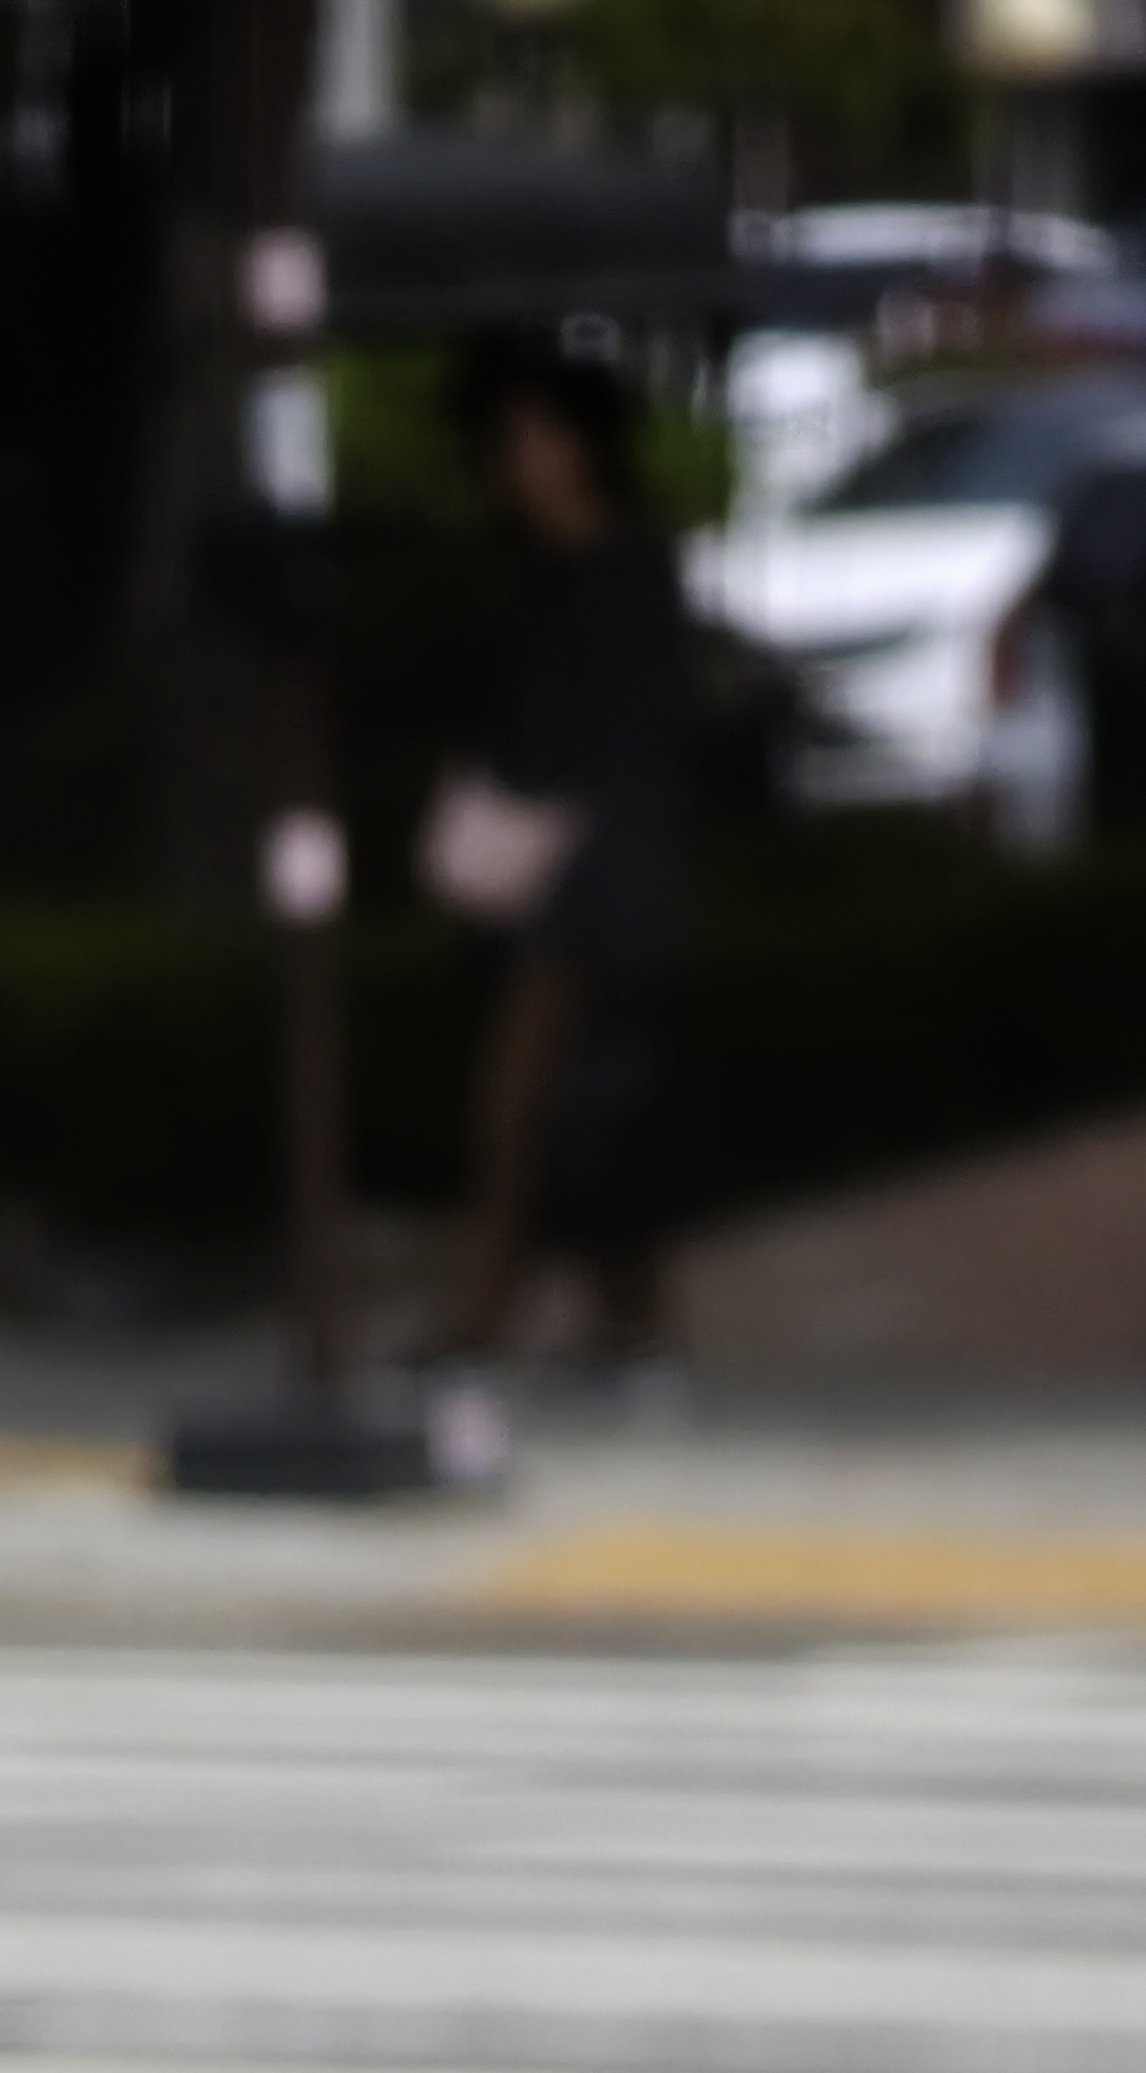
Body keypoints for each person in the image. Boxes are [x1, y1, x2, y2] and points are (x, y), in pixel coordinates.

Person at [419, 345, 688, 1378]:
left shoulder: (614, 574)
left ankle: (523, 1319)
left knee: (541, 1107)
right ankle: (614, 1320)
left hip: (593, 890)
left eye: (543, 439)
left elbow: (594, 746)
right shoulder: (554, 573)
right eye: (513, 442)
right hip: (572, 884)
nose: (524, 462)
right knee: (569, 1109)